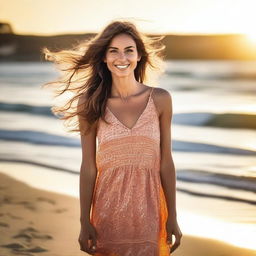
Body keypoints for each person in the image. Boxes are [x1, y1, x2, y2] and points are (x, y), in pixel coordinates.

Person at [42, 19, 182, 256]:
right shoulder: (91, 103)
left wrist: (173, 216)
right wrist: (84, 221)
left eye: (129, 50)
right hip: (107, 211)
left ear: (139, 56)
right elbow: (88, 167)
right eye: (113, 51)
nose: (122, 58)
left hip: (150, 212)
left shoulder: (160, 99)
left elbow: (166, 162)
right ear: (104, 58)